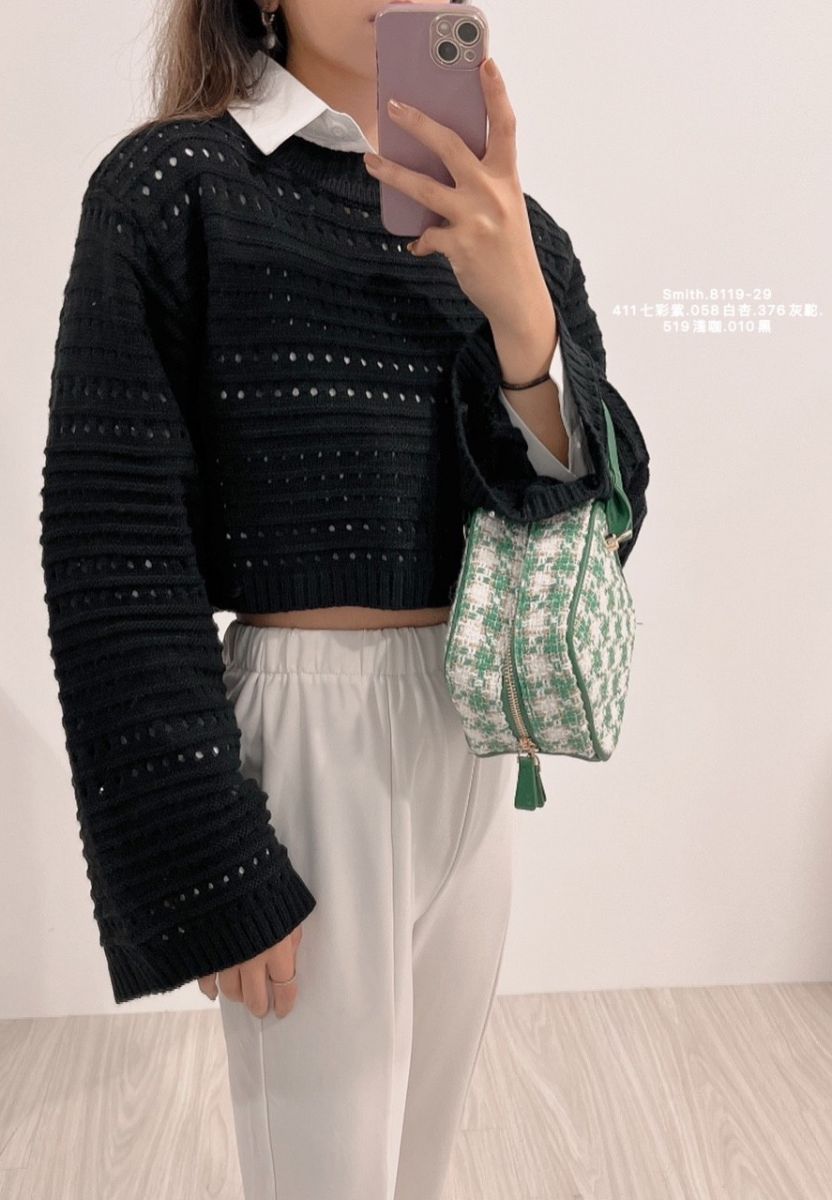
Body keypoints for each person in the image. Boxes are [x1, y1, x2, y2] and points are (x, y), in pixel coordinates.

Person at [38, 1, 650, 1197]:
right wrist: (205, 852)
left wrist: (520, 313)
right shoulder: (177, 188)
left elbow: (597, 533)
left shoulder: (520, 232)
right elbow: (114, 551)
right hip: (306, 738)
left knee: (415, 1170)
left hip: (472, 738)